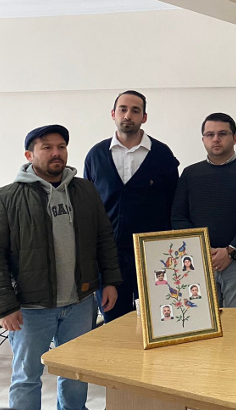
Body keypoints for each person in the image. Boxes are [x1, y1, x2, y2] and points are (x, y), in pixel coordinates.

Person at [0, 125, 121, 410]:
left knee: (76, 374)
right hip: (31, 309)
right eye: (47, 147)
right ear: (29, 155)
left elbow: (104, 238)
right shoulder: (6, 197)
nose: (56, 153)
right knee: (27, 377)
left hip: (80, 303)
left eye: (61, 147)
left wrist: (110, 280)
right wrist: (4, 306)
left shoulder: (85, 190)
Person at [84, 90, 179, 322]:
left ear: (144, 117)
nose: (128, 115)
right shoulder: (96, 155)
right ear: (113, 114)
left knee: (158, 321)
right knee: (114, 323)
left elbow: (173, 206)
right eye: (123, 109)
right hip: (109, 257)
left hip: (153, 255)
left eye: (135, 110)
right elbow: (87, 208)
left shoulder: (162, 155)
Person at [172, 113, 236, 307]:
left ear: (235, 138)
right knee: (202, 321)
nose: (215, 139)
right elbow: (178, 218)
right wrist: (202, 249)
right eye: (210, 134)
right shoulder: (190, 174)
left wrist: (231, 251)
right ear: (203, 140)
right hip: (199, 262)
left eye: (222, 134)